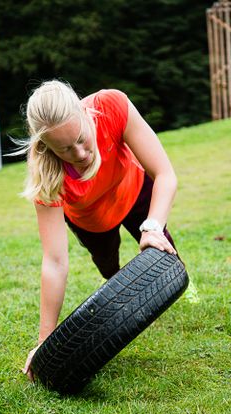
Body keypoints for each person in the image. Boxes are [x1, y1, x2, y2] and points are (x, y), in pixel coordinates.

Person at [20, 79, 179, 381]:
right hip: (92, 219)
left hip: (131, 189)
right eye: (65, 149)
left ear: (85, 113)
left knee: (164, 250)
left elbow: (165, 174)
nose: (80, 154)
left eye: (81, 138)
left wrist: (154, 226)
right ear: (46, 147)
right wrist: (45, 343)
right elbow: (55, 263)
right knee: (110, 270)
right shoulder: (44, 172)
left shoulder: (111, 106)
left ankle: (184, 286)